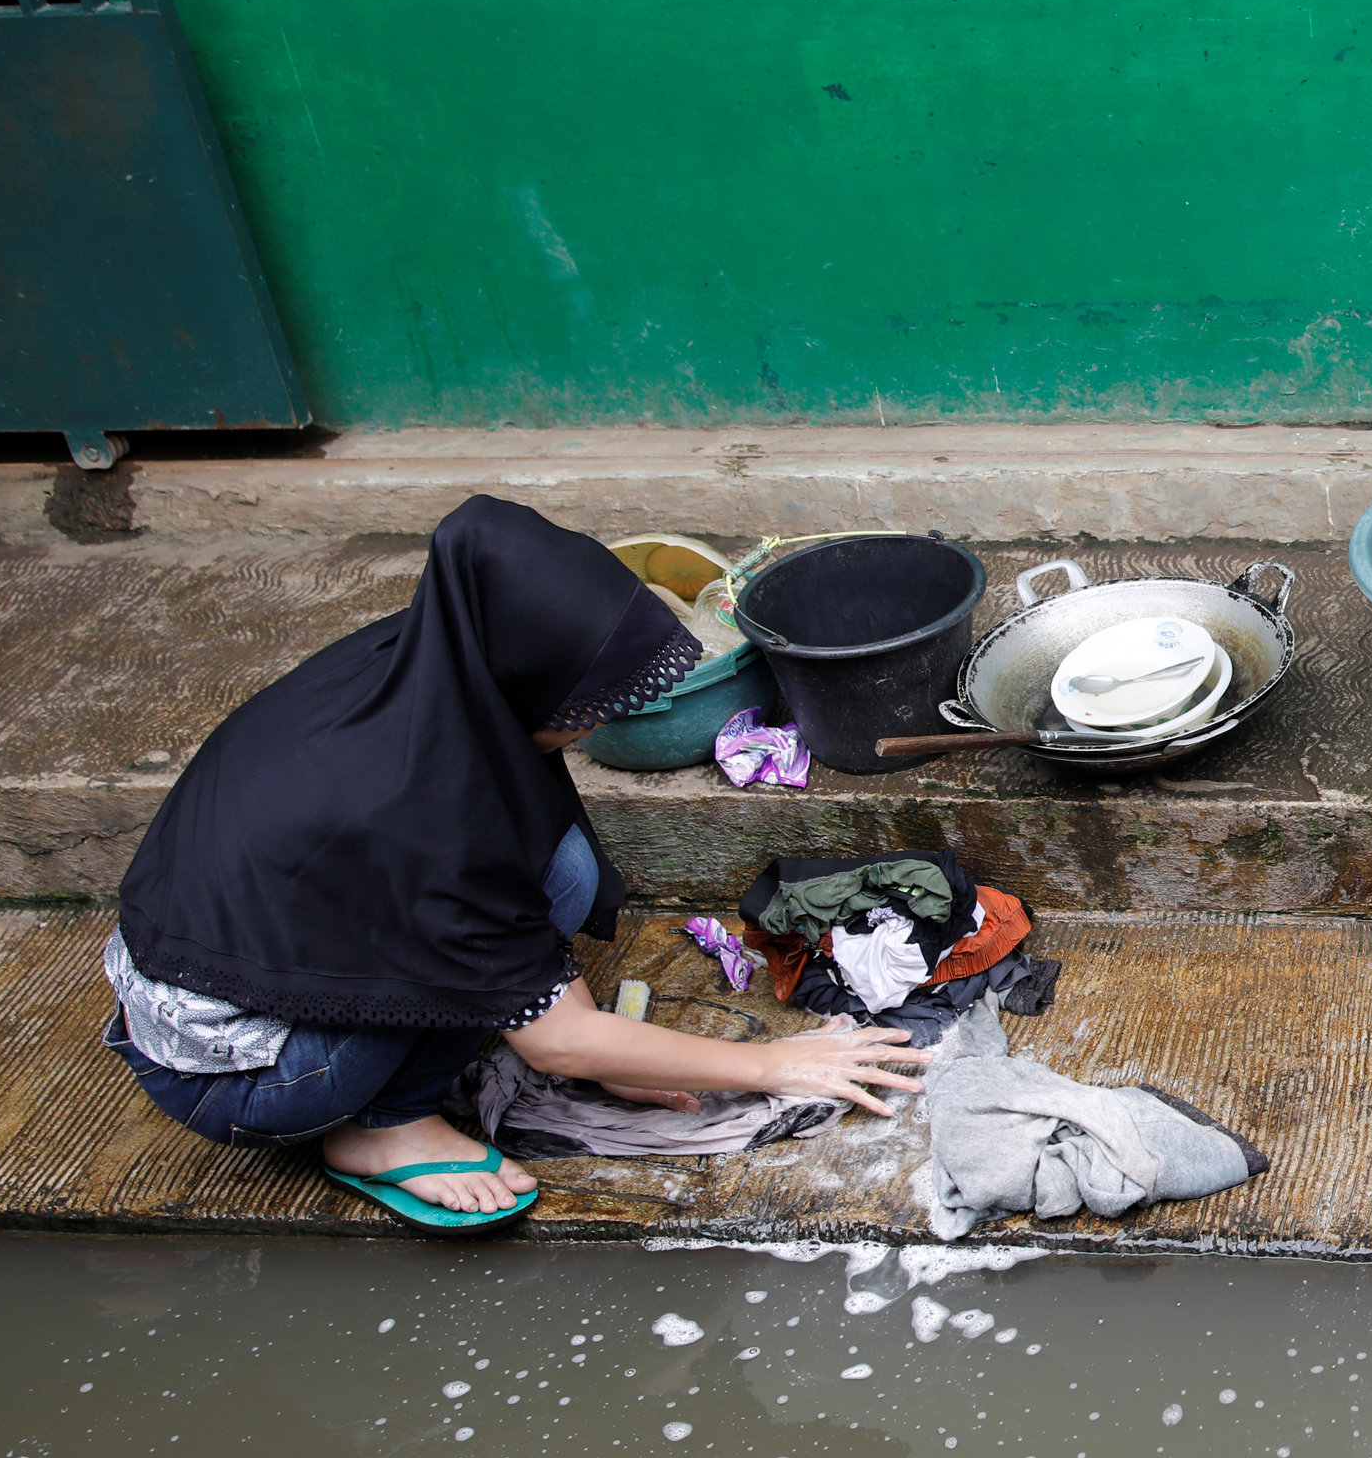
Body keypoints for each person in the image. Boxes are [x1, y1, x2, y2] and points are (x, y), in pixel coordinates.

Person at [102, 495, 930, 1231]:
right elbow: (558, 1044)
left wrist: (620, 1056)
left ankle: (421, 1080)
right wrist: (771, 1064)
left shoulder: (433, 667)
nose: (600, 718)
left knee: (558, 872)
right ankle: (385, 1130)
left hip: (228, 947)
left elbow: (500, 911)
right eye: (591, 703)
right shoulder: (430, 816)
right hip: (249, 1071)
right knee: (520, 950)